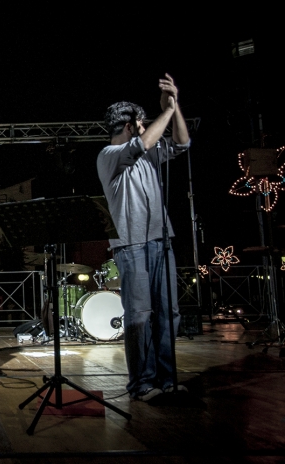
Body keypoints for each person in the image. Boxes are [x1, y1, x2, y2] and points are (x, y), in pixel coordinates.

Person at [96, 73, 191, 401]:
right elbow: (146, 141)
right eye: (141, 122)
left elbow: (182, 142)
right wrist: (165, 111)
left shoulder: (148, 154)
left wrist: (174, 107)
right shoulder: (109, 156)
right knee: (139, 317)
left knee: (169, 313)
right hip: (132, 245)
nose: (146, 126)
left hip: (161, 240)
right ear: (129, 125)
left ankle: (166, 379)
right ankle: (142, 384)